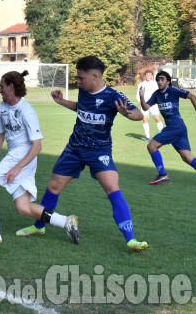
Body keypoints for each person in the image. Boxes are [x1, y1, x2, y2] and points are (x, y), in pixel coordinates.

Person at [18, 56, 149, 253]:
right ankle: (39, 227)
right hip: (74, 149)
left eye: (81, 78)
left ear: (95, 76)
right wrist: (61, 101)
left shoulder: (114, 96)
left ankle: (131, 241)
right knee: (53, 186)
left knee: (112, 188)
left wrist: (128, 114)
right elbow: (82, 109)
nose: (77, 81)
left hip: (99, 150)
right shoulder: (84, 91)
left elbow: (138, 113)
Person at [0, 71, 79, 244]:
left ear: (11, 87)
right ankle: (67, 222)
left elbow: (37, 146)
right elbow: (0, 135)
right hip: (15, 156)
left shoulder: (27, 111)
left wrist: (17, 168)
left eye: (2, 87)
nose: (0, 90)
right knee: (23, 207)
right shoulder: (2, 107)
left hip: (23, 157)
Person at [139, 71, 196, 187]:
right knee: (187, 157)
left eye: (162, 79)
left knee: (151, 146)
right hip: (177, 128)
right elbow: (146, 107)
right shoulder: (156, 94)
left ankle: (162, 174)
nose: (159, 82)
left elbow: (192, 96)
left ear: (168, 81)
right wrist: (142, 96)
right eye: (158, 80)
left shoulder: (173, 90)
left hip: (175, 126)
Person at [136, 70, 163, 142]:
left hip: (153, 104)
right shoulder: (142, 84)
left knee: (157, 118)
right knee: (145, 119)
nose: (148, 76)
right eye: (147, 75)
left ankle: (162, 134)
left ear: (152, 76)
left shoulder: (155, 84)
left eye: (149, 75)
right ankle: (148, 137)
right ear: (145, 76)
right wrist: (139, 100)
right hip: (144, 104)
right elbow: (138, 94)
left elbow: (159, 93)